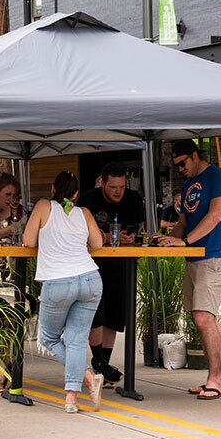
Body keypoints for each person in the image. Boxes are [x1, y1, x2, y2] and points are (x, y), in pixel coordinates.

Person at [158, 139, 221, 400]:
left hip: (214, 256)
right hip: (192, 258)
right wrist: (168, 238)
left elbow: (215, 216)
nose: (180, 169)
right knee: (202, 319)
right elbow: (184, 222)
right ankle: (220, 378)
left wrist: (186, 241)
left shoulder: (219, 176)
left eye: (182, 163)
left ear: (194, 155)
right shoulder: (188, 184)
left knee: (204, 318)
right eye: (176, 165)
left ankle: (217, 378)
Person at [23, 171, 103, 414]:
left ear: (52, 189)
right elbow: (98, 244)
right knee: (77, 339)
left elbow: (28, 241)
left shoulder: (43, 206)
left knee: (48, 337)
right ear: (76, 194)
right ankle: (71, 398)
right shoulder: (84, 212)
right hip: (90, 279)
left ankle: (87, 378)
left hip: (58, 281)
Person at [78, 162, 146, 384]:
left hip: (122, 264)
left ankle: (103, 367)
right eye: (113, 187)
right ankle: (99, 361)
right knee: (96, 315)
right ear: (102, 184)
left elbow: (137, 230)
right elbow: (80, 231)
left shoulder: (134, 200)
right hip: (92, 264)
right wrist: (106, 237)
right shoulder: (88, 200)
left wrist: (131, 238)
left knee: (115, 318)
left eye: (122, 186)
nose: (118, 191)